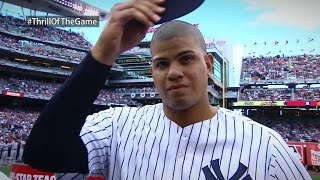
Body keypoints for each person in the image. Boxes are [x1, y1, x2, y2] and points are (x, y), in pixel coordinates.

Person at [23, 0, 311, 179]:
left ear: (207, 64)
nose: (174, 72)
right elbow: (43, 154)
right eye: (162, 64)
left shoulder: (264, 143)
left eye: (186, 59)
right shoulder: (116, 126)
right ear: (153, 72)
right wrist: (103, 52)